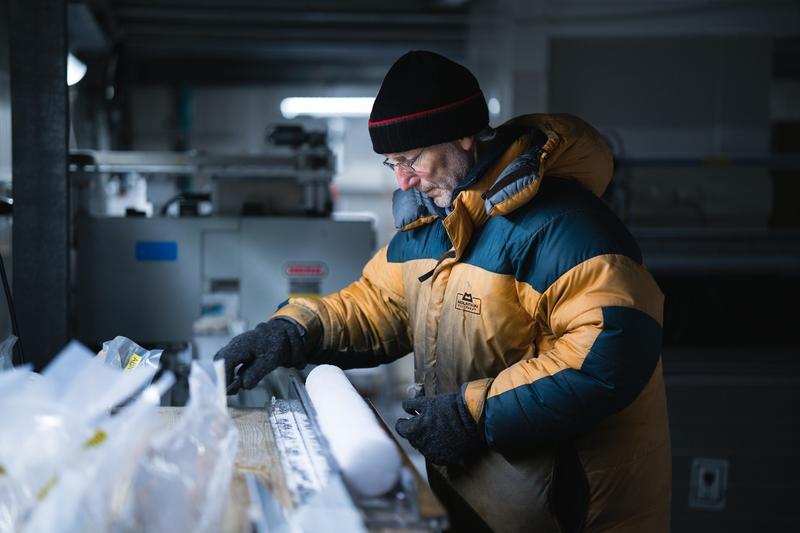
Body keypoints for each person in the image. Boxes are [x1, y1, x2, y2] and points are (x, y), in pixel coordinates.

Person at [215, 50, 671, 533]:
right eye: (393, 164)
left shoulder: (564, 226)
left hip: (573, 514)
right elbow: (377, 306)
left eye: (411, 160)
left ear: (464, 136)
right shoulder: (433, 224)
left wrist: (473, 414)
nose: (402, 180)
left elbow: (609, 353)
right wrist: (292, 329)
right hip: (481, 502)